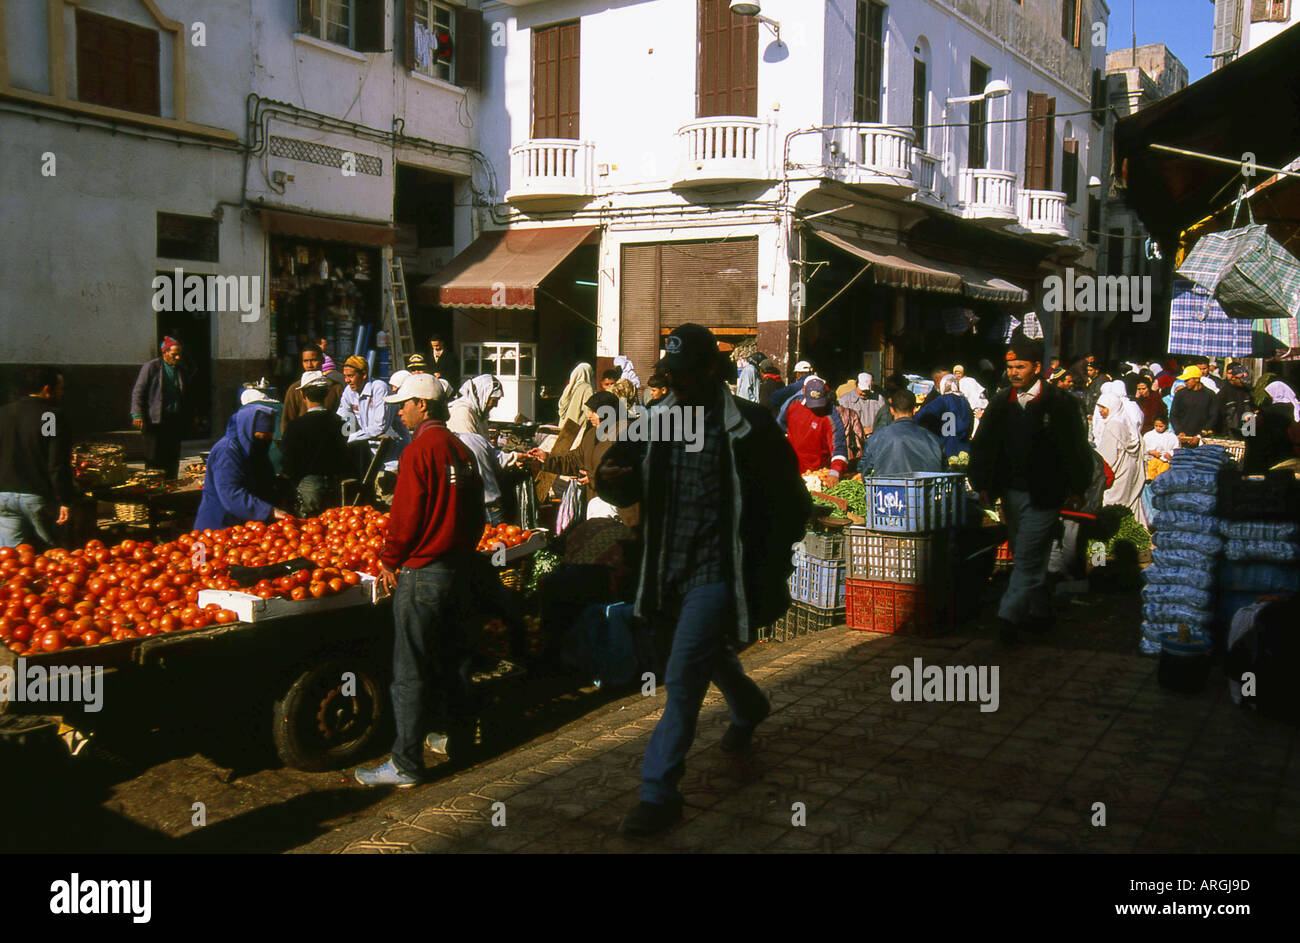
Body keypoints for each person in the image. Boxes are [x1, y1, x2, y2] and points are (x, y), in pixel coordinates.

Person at [594, 323, 810, 836]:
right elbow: (613, 477)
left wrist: (773, 565)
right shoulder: (655, 422)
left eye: (685, 377)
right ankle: (749, 703)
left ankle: (658, 793)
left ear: (713, 371)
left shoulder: (750, 426)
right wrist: (612, 481)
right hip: (665, 568)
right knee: (702, 652)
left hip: (720, 572)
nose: (676, 387)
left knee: (683, 675)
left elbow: (789, 502)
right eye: (671, 378)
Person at [354, 373, 488, 787]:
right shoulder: (461, 451)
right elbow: (478, 515)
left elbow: (405, 518)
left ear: (423, 406)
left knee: (410, 669)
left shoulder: (418, 452)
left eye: (404, 404)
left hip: (423, 573)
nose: (399, 410)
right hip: (459, 571)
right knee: (455, 661)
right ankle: (455, 738)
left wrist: (390, 559)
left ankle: (406, 763)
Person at [968, 330, 1092, 645]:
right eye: (1010, 368)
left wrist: (1078, 486)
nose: (1014, 373)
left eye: (1020, 367)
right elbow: (984, 445)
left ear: (1036, 368)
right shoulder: (1001, 402)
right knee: (1030, 552)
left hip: (1045, 494)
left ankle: (1007, 617)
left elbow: (1076, 447)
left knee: (1025, 554)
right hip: (1011, 493)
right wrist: (982, 482)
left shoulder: (1060, 403)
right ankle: (1041, 613)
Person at [0, 366, 74, 549]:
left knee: (12, 558)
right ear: (46, 389)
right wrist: (65, 499)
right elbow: (56, 462)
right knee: (52, 555)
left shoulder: (4, 413)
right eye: (60, 388)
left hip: (3, 496)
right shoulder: (50, 416)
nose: (62, 393)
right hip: (36, 496)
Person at [194, 405, 288, 530]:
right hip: (219, 524)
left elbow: (264, 480)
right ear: (248, 430)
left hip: (244, 526)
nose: (265, 441)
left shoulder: (254, 450)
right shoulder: (227, 450)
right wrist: (268, 511)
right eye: (261, 437)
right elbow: (230, 492)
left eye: (269, 437)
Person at [447, 376, 520, 525]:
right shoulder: (462, 413)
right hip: (476, 491)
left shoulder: (478, 413)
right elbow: (475, 454)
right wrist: (510, 459)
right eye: (493, 401)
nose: (495, 405)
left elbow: (486, 448)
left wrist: (512, 458)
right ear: (483, 395)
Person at [280, 372, 350, 517]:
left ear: (302, 395)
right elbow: (345, 456)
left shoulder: (295, 427)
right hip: (335, 487)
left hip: (308, 489)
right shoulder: (340, 423)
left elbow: (289, 464)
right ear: (326, 395)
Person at [130, 336, 192, 480]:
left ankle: (171, 484)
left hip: (174, 419)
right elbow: (139, 391)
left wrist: (191, 415)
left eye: (179, 354)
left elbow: (188, 395)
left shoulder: (181, 370)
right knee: (154, 457)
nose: (178, 357)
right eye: (174, 354)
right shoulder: (151, 367)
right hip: (155, 420)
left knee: (172, 456)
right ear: (164, 352)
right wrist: (137, 414)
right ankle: (154, 487)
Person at [859, 387, 945, 476]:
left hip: (887, 488)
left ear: (892, 410)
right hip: (925, 489)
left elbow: (865, 469)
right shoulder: (932, 438)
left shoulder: (877, 437)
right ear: (915, 409)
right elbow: (943, 468)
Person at [337, 356, 393, 479]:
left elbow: (380, 426)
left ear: (364, 375)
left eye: (351, 376)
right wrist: (345, 436)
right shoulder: (349, 391)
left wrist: (352, 437)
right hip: (369, 455)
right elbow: (345, 420)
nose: (347, 380)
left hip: (391, 457)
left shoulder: (379, 388)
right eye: (345, 376)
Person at [782, 377, 847, 480]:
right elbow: (780, 428)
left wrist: (835, 472)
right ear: (803, 391)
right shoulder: (793, 404)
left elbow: (839, 446)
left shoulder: (831, 415)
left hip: (816, 474)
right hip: (791, 469)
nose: (816, 408)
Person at [1095, 392, 1146, 526]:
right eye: (1099, 407)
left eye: (1103, 407)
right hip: (1129, 468)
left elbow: (1108, 456)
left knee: (1112, 502)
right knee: (1129, 500)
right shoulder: (1125, 422)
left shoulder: (1113, 426)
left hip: (1118, 471)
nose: (1100, 411)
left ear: (1112, 407)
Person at [280, 347, 343, 436]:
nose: (309, 365)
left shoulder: (336, 388)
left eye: (313, 360)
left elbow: (345, 416)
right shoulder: (294, 389)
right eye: (306, 361)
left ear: (322, 360)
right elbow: (287, 420)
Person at [915, 374, 974, 465]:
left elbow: (921, 415)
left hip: (947, 447)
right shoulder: (965, 402)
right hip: (964, 448)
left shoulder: (943, 400)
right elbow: (970, 425)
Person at [1244, 381, 1300, 473]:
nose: (1270, 397)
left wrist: (1249, 420)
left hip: (1271, 454)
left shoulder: (1270, 411)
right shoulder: (1295, 408)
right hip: (1290, 453)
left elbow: (1249, 430)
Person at [1169, 365, 1217, 446]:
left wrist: (1200, 435)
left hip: (1202, 440)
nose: (1185, 382)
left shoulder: (1210, 395)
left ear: (1197, 379)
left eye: (1187, 380)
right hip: (1183, 438)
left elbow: (1213, 416)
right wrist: (1179, 431)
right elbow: (1173, 415)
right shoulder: (1180, 394)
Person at [1214, 362, 1255, 439]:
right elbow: (1218, 415)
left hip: (1248, 433)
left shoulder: (1248, 392)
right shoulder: (1223, 393)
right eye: (1241, 379)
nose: (1244, 382)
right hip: (1230, 434)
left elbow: (1253, 409)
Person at [557, 363, 596, 432]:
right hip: (576, 428)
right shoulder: (587, 388)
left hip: (563, 426)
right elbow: (588, 410)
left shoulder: (569, 388)